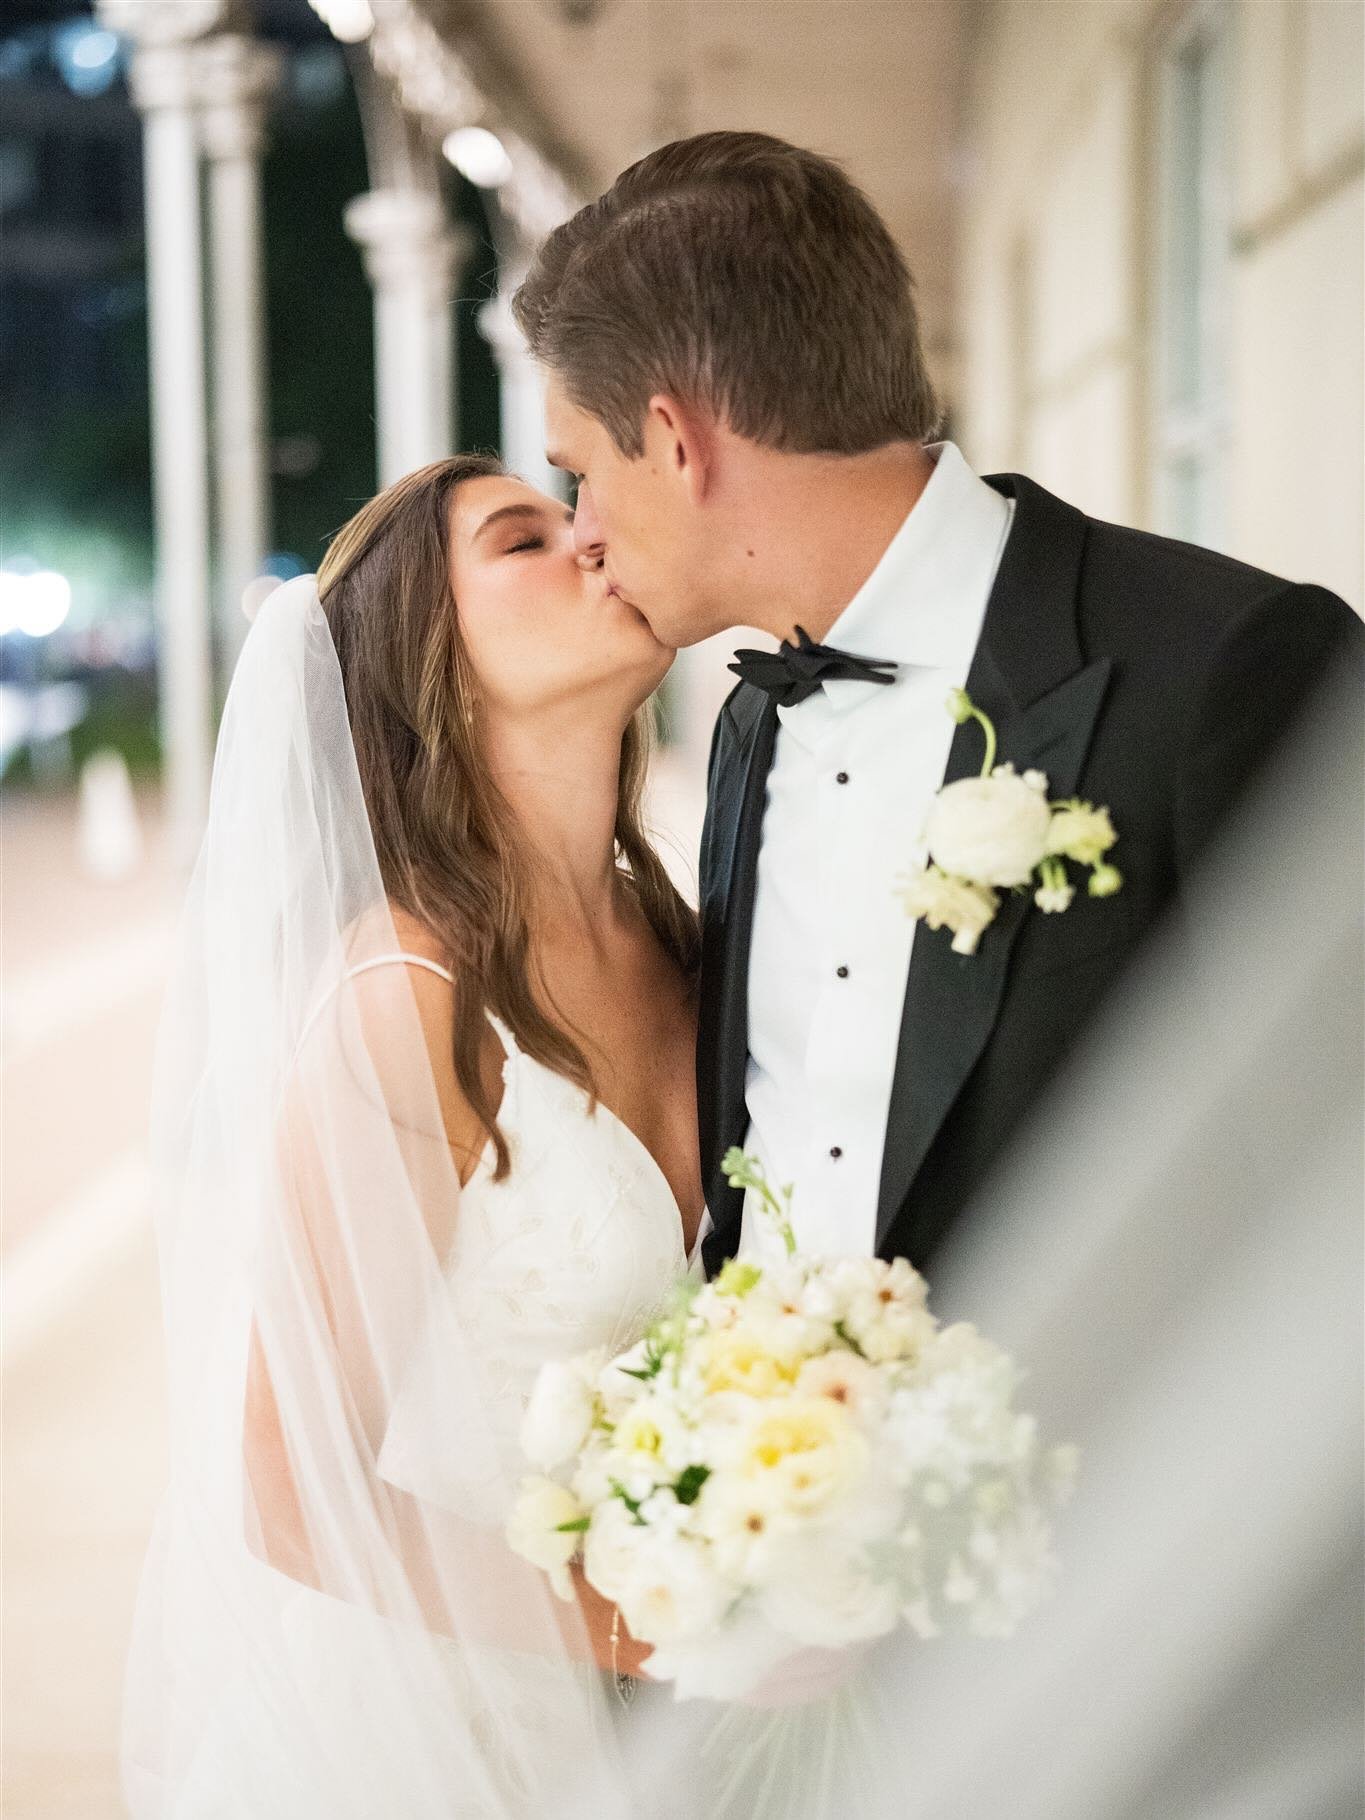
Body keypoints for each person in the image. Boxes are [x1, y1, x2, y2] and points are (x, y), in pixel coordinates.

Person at [511, 128, 1363, 1279]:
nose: (583, 531)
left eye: (580, 473)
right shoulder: (748, 726)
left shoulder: (1228, 663)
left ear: (674, 442)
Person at [121, 455, 720, 1819]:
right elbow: (289, 1485)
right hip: (438, 1737)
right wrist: (653, 1628)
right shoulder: (406, 996)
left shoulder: (683, 940)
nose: (590, 538)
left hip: (682, 1723)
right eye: (522, 538)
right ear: (430, 662)